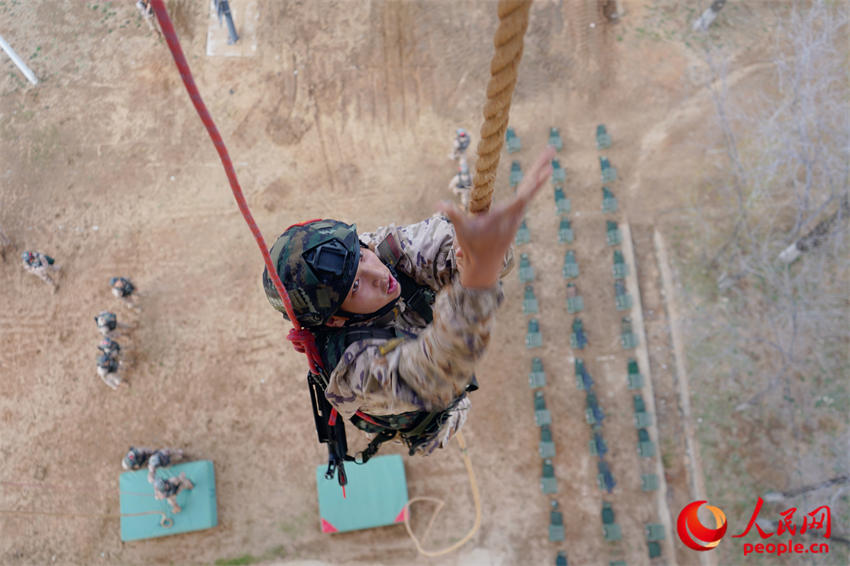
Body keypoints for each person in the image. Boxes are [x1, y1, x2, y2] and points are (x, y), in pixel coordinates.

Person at [262, 146, 555, 463]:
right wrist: (477, 281)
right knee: (450, 408)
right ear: (334, 320)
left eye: (361, 256)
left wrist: (477, 250)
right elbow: (434, 374)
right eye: (355, 287)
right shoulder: (353, 368)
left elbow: (443, 243)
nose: (378, 273)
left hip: (427, 343)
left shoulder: (381, 251)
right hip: (431, 416)